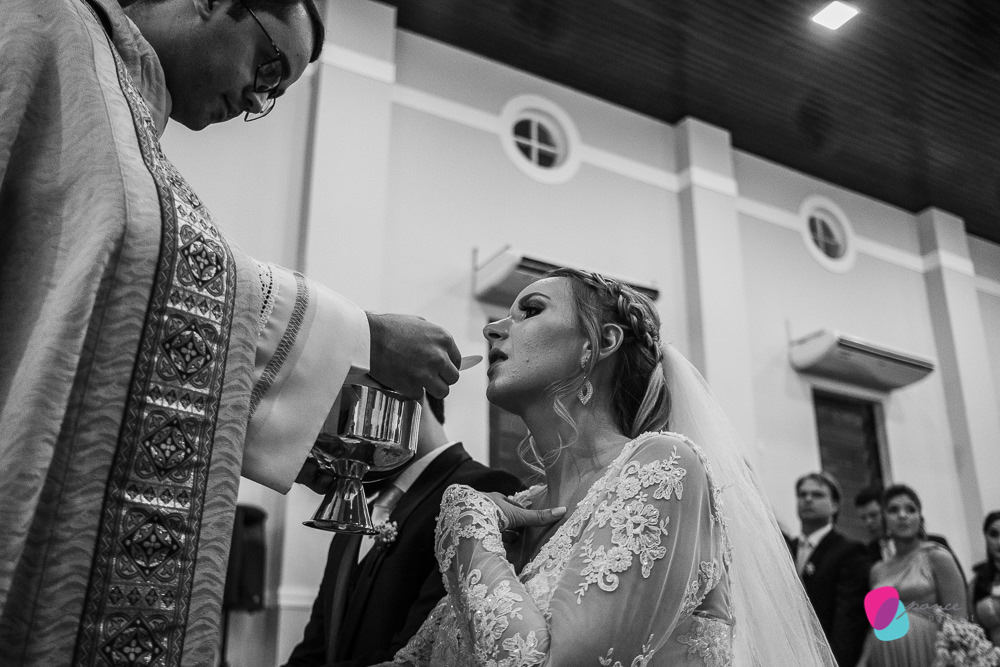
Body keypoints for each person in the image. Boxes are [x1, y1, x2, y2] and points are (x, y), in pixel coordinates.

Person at [0, 1, 464, 664]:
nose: (255, 98)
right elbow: (138, 259)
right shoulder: (48, 22)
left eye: (274, 94)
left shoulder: (131, 119)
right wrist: (364, 336)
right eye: (269, 66)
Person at [375, 269, 837, 665]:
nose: (493, 328)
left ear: (602, 343)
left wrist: (466, 525)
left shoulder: (665, 465)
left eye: (530, 311)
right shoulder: (515, 512)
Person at [281, 395, 524, 666]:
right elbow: (315, 649)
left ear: (407, 388)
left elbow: (420, 655)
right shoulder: (359, 510)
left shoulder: (483, 491)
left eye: (345, 413)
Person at [858, 485, 1000, 666]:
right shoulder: (877, 570)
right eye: (893, 510)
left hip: (931, 654)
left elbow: (958, 622)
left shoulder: (938, 557)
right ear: (884, 519)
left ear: (920, 517)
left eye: (911, 509)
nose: (903, 515)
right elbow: (876, 627)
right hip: (885, 658)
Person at [790, 472, 871, 667]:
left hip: (827, 656)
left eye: (817, 495)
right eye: (802, 494)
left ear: (835, 505)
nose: (808, 499)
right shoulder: (785, 548)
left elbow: (848, 620)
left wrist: (834, 662)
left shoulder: (849, 551)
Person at [971, 511, 1000, 646]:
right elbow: (973, 630)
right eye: (994, 534)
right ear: (986, 537)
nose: (999, 542)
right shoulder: (978, 582)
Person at [856, 485, 895, 562]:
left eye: (873, 515)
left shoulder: (913, 540)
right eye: (863, 518)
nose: (868, 522)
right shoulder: (867, 554)